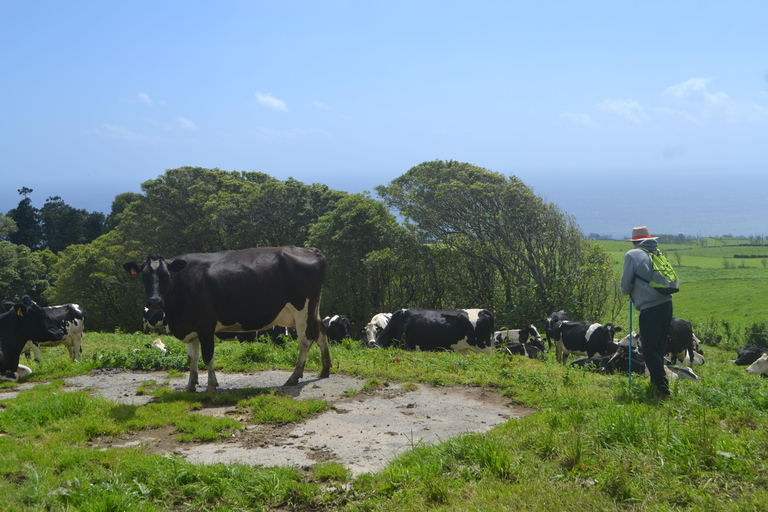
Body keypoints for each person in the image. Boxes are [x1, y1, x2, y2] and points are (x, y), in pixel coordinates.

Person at [620, 226, 674, 400]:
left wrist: (630, 290)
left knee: (648, 349)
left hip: (650, 307)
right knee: (658, 348)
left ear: (635, 241)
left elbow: (624, 287)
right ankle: (655, 385)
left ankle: (663, 389)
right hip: (667, 303)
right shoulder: (657, 253)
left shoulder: (632, 255)